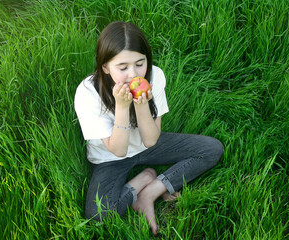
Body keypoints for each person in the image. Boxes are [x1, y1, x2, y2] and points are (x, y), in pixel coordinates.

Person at [74, 21, 224, 235]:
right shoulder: (88, 93)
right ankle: (141, 180)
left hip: (148, 146)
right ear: (105, 67)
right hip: (110, 159)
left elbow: (151, 139)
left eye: (140, 63)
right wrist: (123, 108)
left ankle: (151, 191)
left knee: (211, 149)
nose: (134, 74)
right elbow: (118, 150)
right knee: (100, 218)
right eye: (123, 67)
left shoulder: (155, 76)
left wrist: (141, 104)